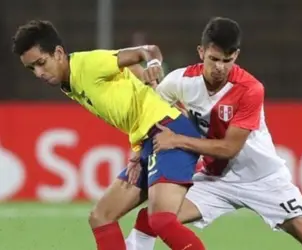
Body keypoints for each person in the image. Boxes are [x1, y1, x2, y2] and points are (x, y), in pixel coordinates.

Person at [125, 17, 302, 250]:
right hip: (216, 179)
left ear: (236, 56)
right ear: (201, 52)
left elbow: (229, 148)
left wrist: (177, 140)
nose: (219, 67)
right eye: (213, 59)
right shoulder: (179, 81)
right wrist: (136, 154)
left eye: (227, 60)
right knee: (154, 219)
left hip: (264, 179)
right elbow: (150, 116)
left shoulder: (250, 89)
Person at [12, 20, 206, 250]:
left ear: (58, 53)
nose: (39, 73)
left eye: (41, 63)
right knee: (101, 217)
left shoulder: (88, 64)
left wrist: (153, 63)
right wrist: (136, 152)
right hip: (148, 140)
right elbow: (131, 96)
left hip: (168, 131)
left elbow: (147, 51)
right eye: (31, 68)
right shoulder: (70, 83)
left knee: (160, 220)